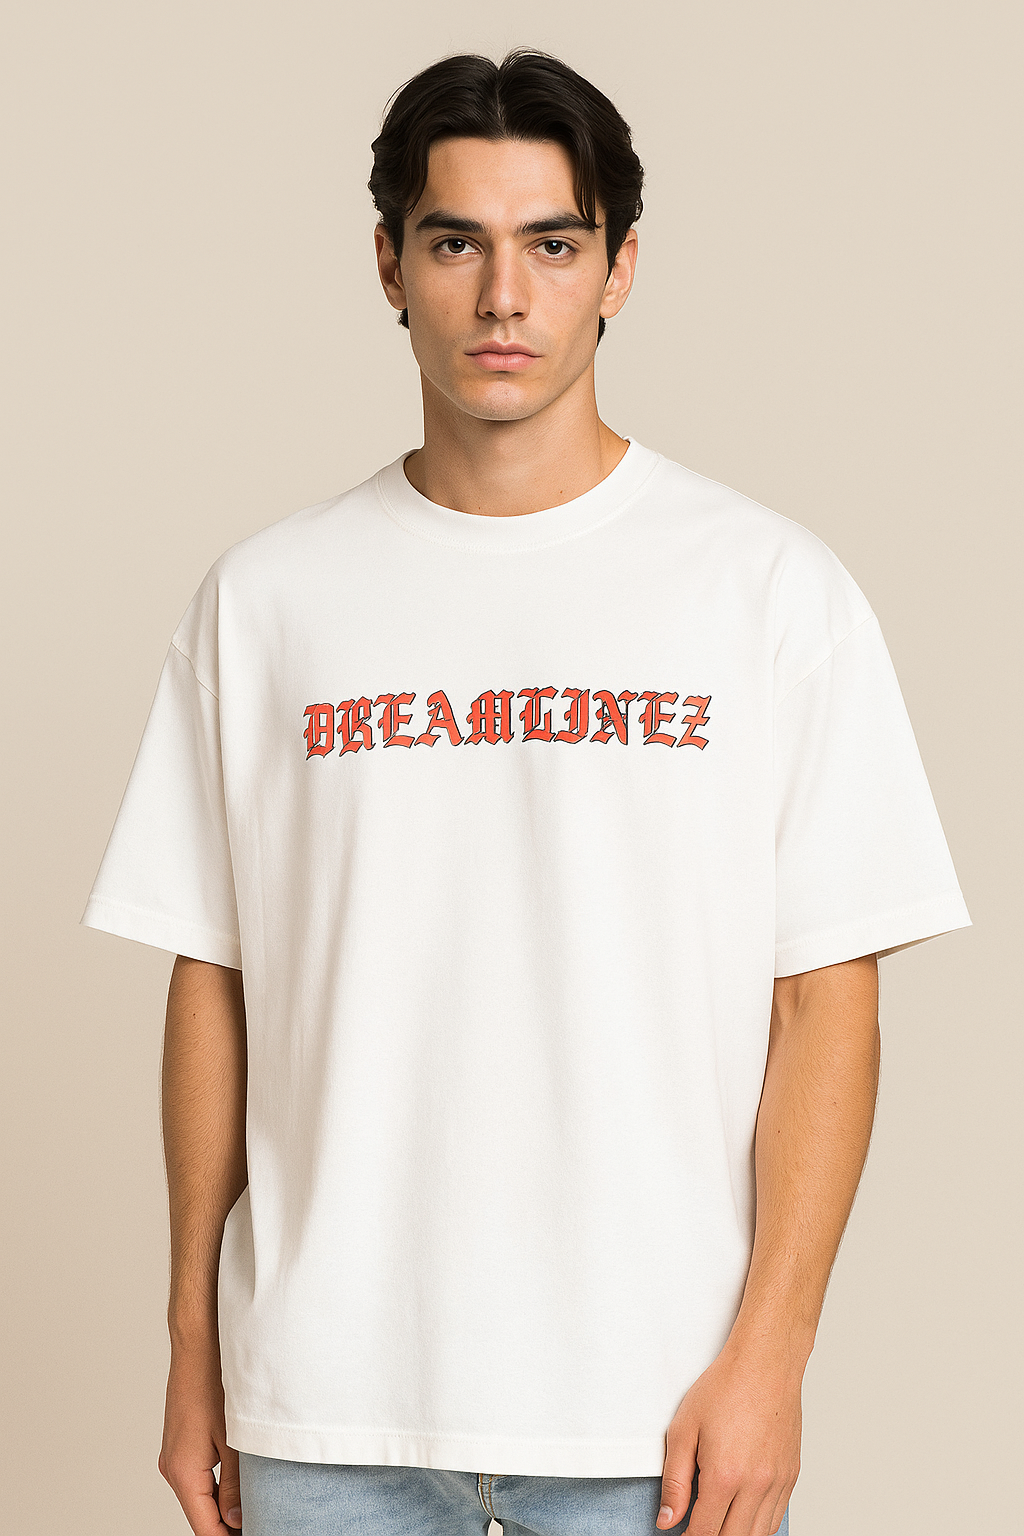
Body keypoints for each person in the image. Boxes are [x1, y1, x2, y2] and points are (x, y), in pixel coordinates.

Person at [81, 48, 971, 1536]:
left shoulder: (767, 590)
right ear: (390, 265)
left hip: (659, 1418)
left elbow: (829, 1002)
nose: (504, 296)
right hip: (328, 1410)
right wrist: (192, 1347)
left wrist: (774, 1356)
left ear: (620, 268)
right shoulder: (266, 602)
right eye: (456, 243)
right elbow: (212, 984)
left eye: (553, 244)